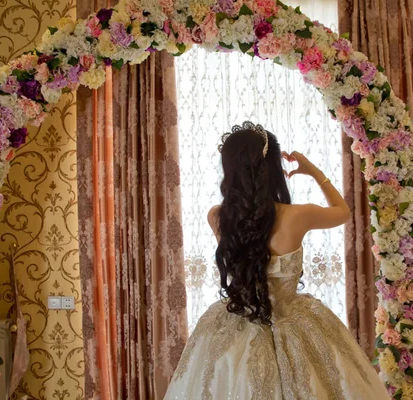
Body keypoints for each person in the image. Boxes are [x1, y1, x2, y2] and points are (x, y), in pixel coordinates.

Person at [164, 122, 390, 399]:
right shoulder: (297, 215)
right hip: (295, 322)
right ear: (270, 168)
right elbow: (343, 211)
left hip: (235, 324)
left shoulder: (217, 216)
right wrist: (313, 172)